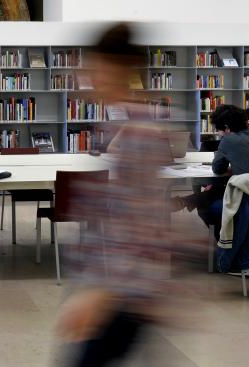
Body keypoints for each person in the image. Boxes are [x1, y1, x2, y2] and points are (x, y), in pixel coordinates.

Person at [56, 23, 180, 365]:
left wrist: (100, 294)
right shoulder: (119, 125)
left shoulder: (138, 132)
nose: (87, 74)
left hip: (123, 294)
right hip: (116, 289)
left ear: (119, 69)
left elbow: (140, 225)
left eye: (95, 66)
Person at [173, 105, 249, 241]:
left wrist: (233, 168)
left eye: (219, 130)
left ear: (227, 128)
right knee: (224, 190)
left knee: (207, 204)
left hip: (247, 205)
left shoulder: (228, 141)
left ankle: (224, 242)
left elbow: (217, 169)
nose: (218, 134)